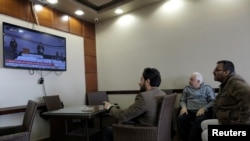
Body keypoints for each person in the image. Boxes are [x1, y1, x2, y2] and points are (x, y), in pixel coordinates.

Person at [102, 67, 166, 141]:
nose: (139, 83)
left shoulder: (144, 97)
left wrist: (110, 108)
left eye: (141, 79)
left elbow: (123, 116)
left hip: (142, 134)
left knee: (108, 131)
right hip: (155, 133)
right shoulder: (162, 94)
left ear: (147, 81)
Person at [201, 60, 250, 141]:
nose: (213, 72)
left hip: (237, 125)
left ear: (226, 72)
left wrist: (242, 121)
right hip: (226, 121)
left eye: (217, 70)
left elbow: (248, 98)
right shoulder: (225, 83)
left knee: (206, 134)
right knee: (204, 124)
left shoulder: (235, 82)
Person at [177, 72, 215, 141]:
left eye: (191, 80)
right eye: (189, 79)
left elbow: (213, 101)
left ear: (198, 81)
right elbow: (182, 100)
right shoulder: (187, 88)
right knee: (181, 119)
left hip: (202, 111)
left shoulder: (207, 88)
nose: (189, 81)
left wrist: (204, 108)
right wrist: (183, 107)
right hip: (189, 111)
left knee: (199, 121)